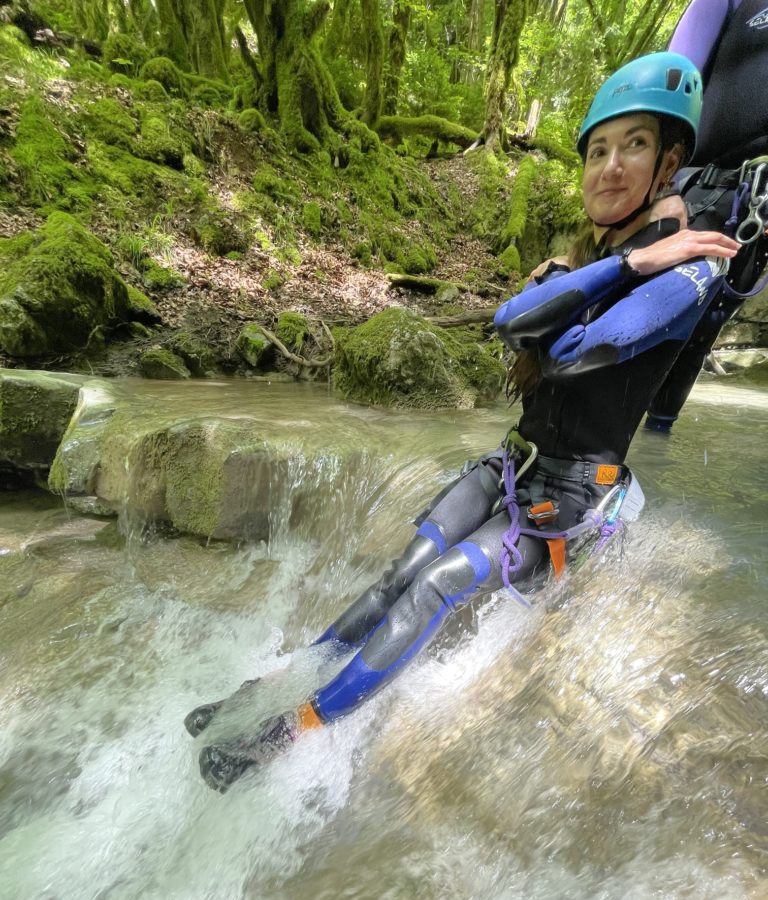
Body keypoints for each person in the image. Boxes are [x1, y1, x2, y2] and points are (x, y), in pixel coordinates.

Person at [187, 53, 740, 793]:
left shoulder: (692, 268)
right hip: (509, 465)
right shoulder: (598, 261)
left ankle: (295, 731)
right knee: (398, 574)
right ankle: (264, 690)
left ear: (670, 160)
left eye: (634, 145)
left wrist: (625, 272)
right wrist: (622, 267)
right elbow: (511, 321)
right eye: (598, 150)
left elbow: (585, 348)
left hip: (571, 498)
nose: (610, 167)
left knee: (437, 583)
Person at [643, 0, 768, 432]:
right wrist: (660, 185)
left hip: (757, 212)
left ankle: (653, 443)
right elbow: (674, 79)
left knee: (700, 337)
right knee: (653, 317)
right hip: (705, 189)